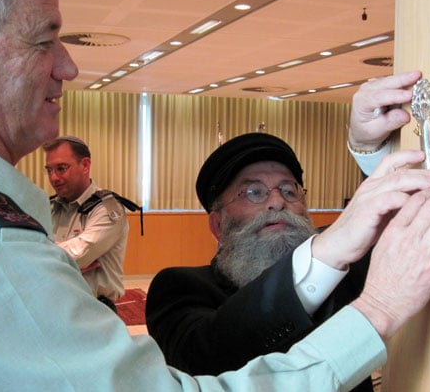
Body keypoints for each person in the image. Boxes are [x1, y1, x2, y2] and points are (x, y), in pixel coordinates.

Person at [0, 0, 430, 390]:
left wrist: (372, 154)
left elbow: (400, 237)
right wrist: (380, 310)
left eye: (289, 189)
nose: (68, 65)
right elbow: (213, 350)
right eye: (46, 40)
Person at [146, 132, 376, 390]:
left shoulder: (341, 265)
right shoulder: (180, 287)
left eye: (289, 190)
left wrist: (370, 150)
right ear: (218, 225)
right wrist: (319, 260)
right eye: (253, 192)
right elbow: (204, 361)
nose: (277, 202)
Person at [43, 135, 129, 308]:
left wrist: (45, 256)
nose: (54, 178)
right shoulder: (50, 206)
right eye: (49, 170)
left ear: (85, 165)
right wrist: (64, 265)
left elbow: (77, 256)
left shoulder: (106, 209)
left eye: (61, 168)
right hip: (58, 303)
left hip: (95, 309)